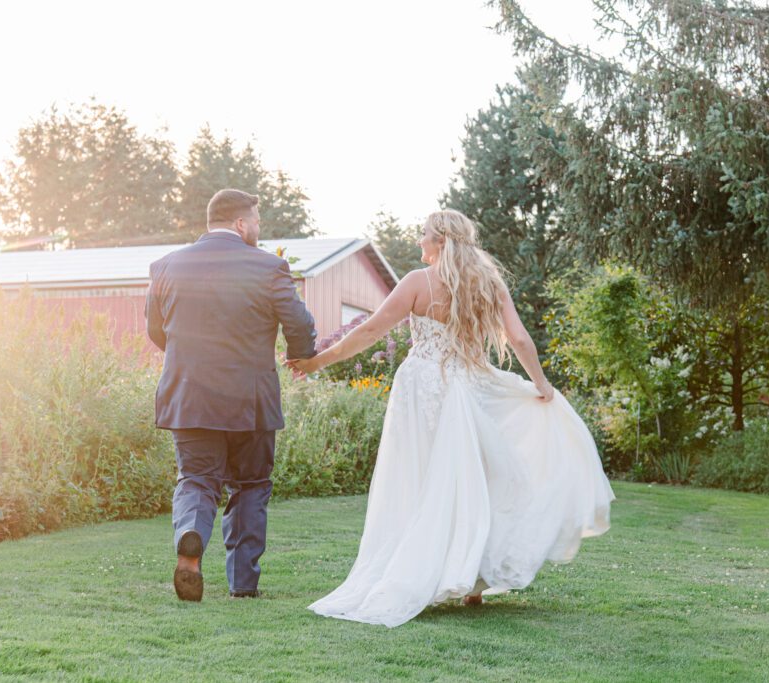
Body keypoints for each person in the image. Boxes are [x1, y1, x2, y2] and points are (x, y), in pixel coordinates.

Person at [287, 208, 615, 627]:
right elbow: (517, 337)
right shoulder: (488, 282)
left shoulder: (416, 283)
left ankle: (433, 573)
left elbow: (371, 331)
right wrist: (541, 383)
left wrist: (319, 362)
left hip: (423, 388)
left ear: (440, 240)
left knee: (419, 479)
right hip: (469, 387)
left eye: (424, 234)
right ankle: (471, 581)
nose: (419, 241)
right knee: (473, 478)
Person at [146, 188, 317, 601]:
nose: (258, 229)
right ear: (241, 223)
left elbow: (156, 330)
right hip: (251, 401)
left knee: (197, 479)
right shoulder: (270, 267)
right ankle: (243, 583)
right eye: (256, 221)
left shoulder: (166, 266)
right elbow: (298, 322)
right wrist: (301, 355)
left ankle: (191, 534)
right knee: (251, 485)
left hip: (189, 397)